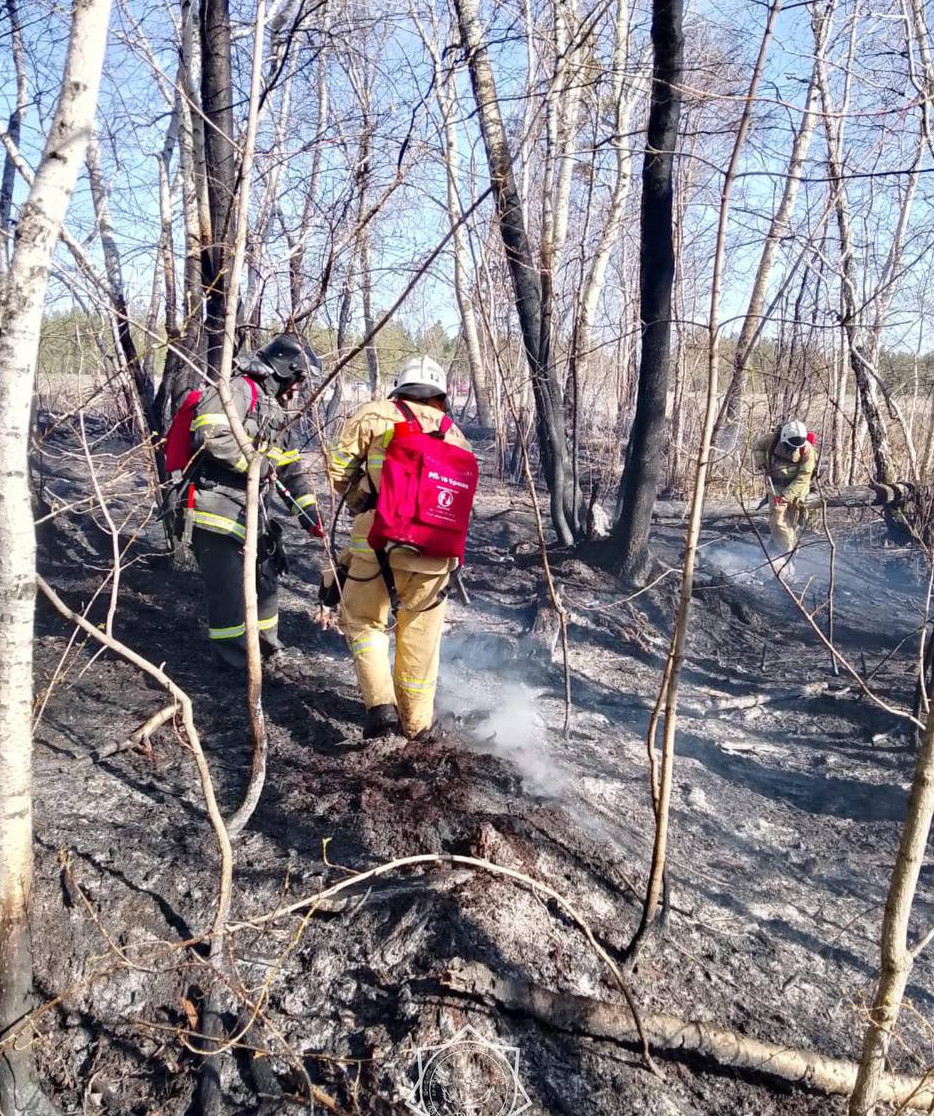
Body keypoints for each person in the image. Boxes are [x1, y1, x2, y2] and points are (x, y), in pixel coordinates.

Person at [327, 355, 473, 742]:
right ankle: (417, 727)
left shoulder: (375, 414)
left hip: (377, 543)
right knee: (421, 643)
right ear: (440, 395)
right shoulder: (455, 434)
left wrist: (363, 498)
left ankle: (381, 708)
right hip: (435, 555)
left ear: (400, 387)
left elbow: (337, 469)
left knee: (362, 622)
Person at [184, 333, 323, 670]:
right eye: (298, 380)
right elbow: (210, 436)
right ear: (282, 369)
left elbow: (289, 467)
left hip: (251, 514)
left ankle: (267, 648)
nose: (298, 389)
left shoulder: (275, 409)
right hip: (215, 510)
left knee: (266, 579)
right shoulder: (235, 391)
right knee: (228, 593)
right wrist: (258, 466)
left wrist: (309, 513)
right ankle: (234, 665)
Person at [752, 418, 816, 571]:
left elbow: (804, 476)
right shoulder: (771, 439)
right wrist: (762, 463)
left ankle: (774, 554)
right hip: (776, 486)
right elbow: (757, 447)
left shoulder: (806, 449)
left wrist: (787, 495)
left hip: (797, 489)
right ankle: (787, 557)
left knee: (792, 524)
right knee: (779, 522)